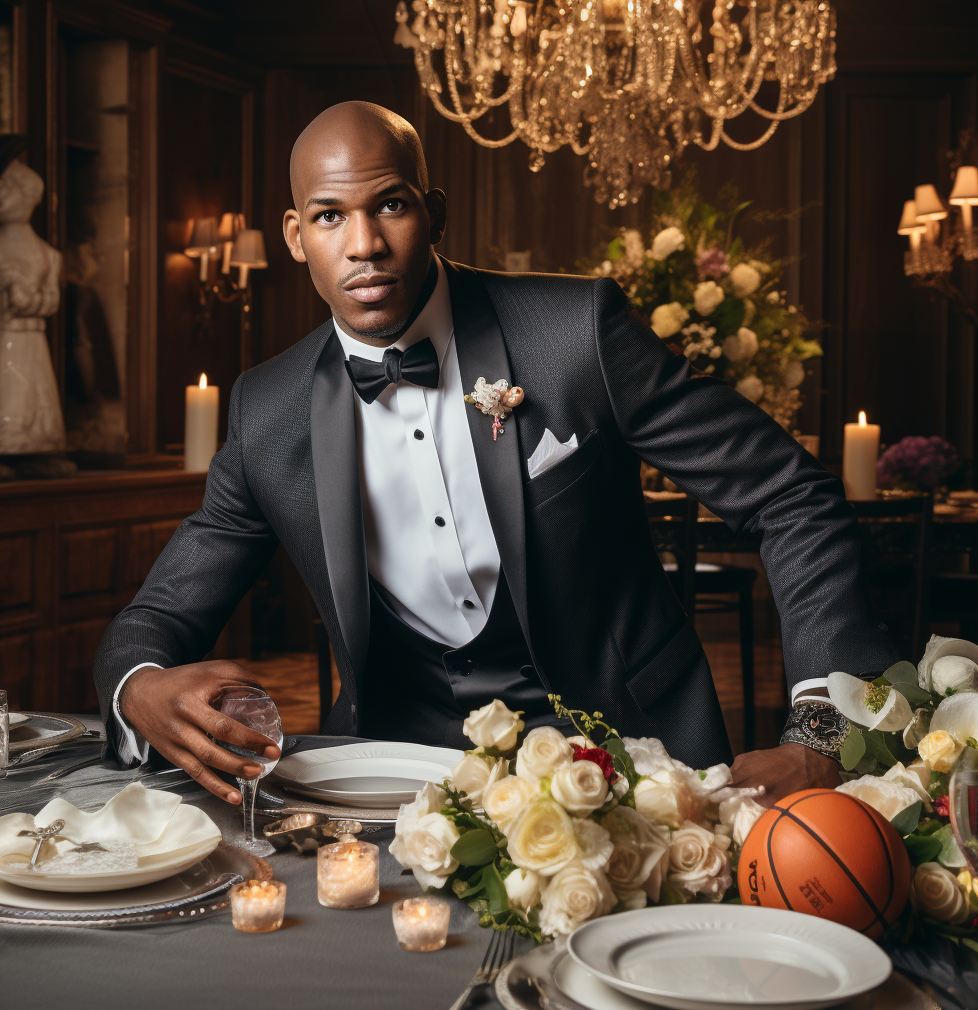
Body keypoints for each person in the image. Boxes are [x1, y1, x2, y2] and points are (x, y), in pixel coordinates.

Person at [94, 101, 896, 807]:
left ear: (433, 213)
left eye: (392, 205)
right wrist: (141, 688)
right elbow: (162, 615)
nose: (365, 243)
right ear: (297, 238)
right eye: (331, 216)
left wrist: (821, 730)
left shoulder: (575, 334)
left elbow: (791, 497)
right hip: (393, 780)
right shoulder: (266, 412)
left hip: (634, 762)